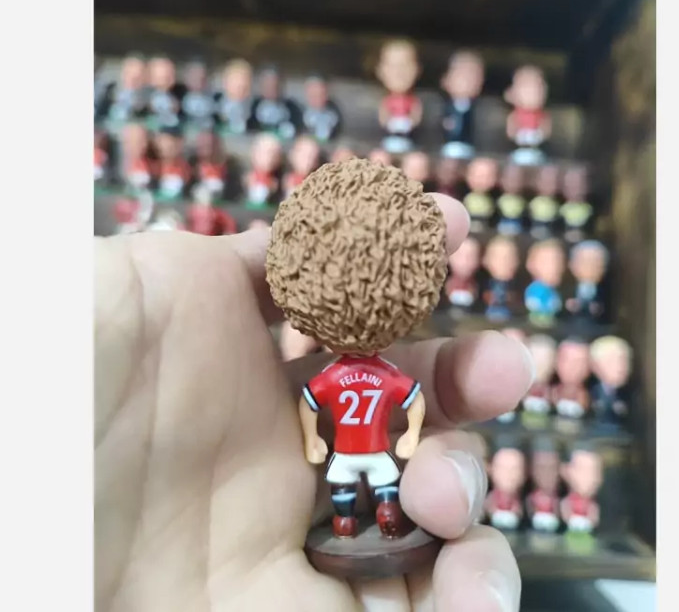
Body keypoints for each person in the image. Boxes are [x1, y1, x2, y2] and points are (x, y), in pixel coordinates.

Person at [95, 194, 530, 611]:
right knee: (372, 488)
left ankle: (365, 517)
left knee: (369, 490)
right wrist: (394, 437)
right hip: (364, 453)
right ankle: (362, 517)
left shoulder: (347, 374)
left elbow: (325, 404)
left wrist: (326, 439)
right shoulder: (366, 373)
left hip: (359, 453)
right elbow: (397, 401)